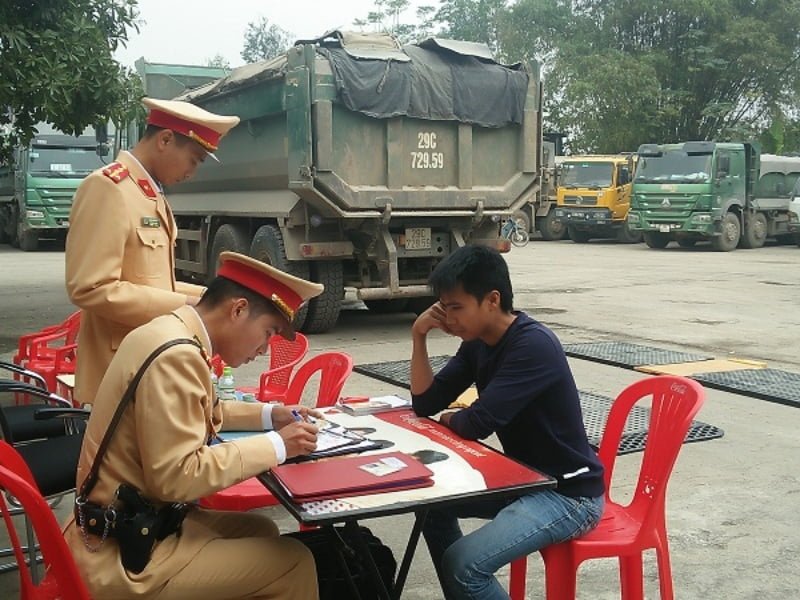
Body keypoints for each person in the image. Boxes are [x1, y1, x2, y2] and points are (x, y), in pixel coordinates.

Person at [63, 251, 324, 599]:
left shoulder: (169, 332)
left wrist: (269, 414)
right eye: (268, 332)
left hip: (125, 524)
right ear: (238, 310)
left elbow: (203, 409)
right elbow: (176, 477)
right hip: (122, 555)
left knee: (259, 528)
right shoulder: (177, 355)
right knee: (295, 562)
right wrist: (278, 446)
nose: (264, 348)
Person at [409, 245, 605, 600]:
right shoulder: (478, 343)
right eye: (444, 309)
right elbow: (425, 403)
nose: (449, 319)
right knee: (431, 509)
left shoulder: (533, 345)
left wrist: (452, 417)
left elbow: (476, 423)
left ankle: (468, 588)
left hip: (567, 495)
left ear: (492, 300)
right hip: (521, 481)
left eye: (456, 308)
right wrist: (419, 335)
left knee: (463, 563)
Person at [65, 97, 239, 405]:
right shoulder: (109, 188)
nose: (192, 172)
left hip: (146, 364)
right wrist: (185, 305)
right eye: (194, 160)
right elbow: (90, 288)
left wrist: (209, 298)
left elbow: (154, 283)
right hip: (118, 371)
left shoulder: (146, 192)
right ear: (166, 139)